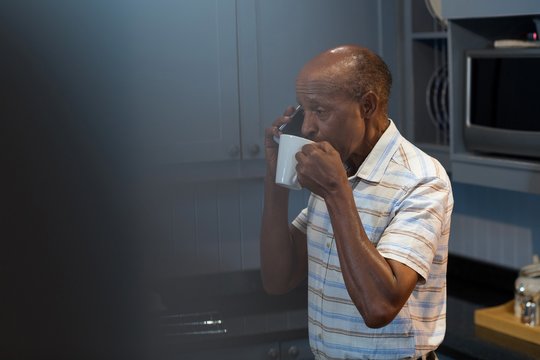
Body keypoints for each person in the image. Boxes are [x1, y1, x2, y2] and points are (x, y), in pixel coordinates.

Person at [260, 45, 453, 360]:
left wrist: (337, 193)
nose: (307, 127)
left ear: (367, 105)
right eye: (302, 109)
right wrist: (276, 180)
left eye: (320, 111)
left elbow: (379, 307)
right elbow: (277, 279)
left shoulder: (421, 179)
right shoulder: (338, 167)